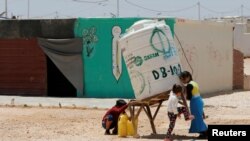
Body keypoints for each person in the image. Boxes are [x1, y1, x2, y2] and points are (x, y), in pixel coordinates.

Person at [179, 71, 208, 139]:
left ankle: (205, 133)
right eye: (182, 79)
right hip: (199, 101)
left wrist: (184, 90)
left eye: (183, 79)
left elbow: (189, 97)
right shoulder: (194, 83)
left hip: (195, 102)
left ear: (188, 77)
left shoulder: (189, 85)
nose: (183, 80)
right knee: (198, 118)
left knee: (197, 119)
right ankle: (203, 133)